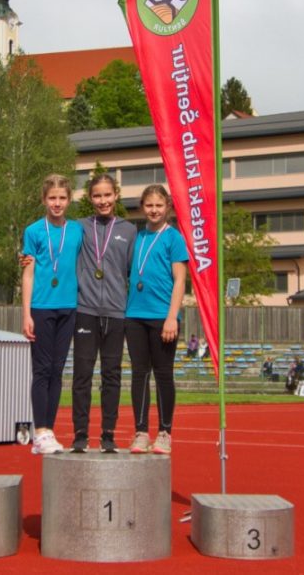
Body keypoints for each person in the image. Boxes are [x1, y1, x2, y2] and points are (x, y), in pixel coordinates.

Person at [71, 173, 137, 453]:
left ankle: (108, 434)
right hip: (85, 310)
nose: (102, 201)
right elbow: (59, 252)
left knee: (112, 375)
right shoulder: (79, 228)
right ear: (90, 198)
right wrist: (29, 257)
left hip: (117, 312)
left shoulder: (130, 230)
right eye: (97, 196)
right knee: (82, 374)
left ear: (116, 195)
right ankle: (80, 434)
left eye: (107, 195)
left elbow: (136, 271)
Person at [20, 174, 84, 455]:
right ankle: (40, 431)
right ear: (43, 200)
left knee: (58, 371)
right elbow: (28, 272)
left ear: (69, 200)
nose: (57, 203)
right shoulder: (33, 231)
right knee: (42, 370)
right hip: (41, 307)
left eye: (62, 198)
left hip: (68, 307)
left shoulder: (77, 231)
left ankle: (49, 431)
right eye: (52, 198)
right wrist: (26, 314)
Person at [124, 184, 188, 455]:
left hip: (163, 316)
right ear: (142, 207)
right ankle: (140, 431)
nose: (153, 210)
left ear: (168, 208)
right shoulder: (136, 238)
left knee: (163, 374)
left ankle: (164, 432)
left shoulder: (174, 238)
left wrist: (172, 317)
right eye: (149, 205)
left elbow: (180, 279)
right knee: (139, 374)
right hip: (134, 315)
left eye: (159, 205)